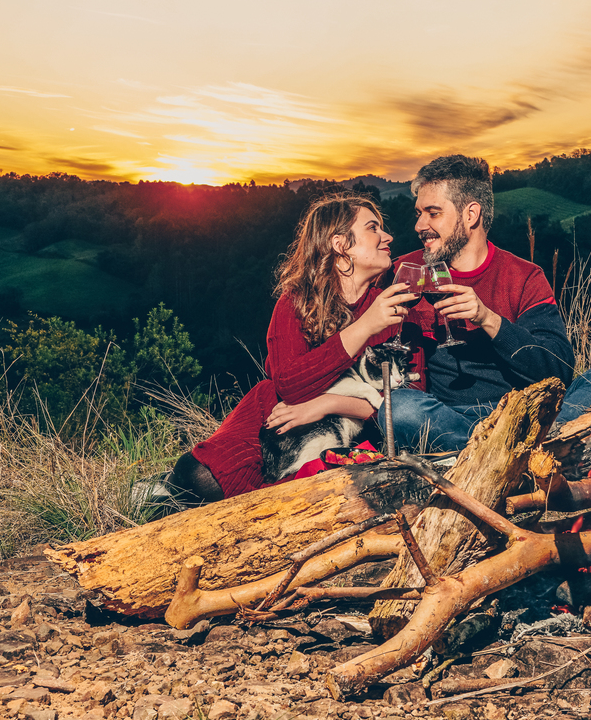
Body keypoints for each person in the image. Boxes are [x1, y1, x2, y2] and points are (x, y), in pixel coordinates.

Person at [383, 155, 591, 452]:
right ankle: (521, 453)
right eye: (418, 213)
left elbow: (557, 369)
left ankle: (492, 453)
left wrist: (488, 320)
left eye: (433, 213)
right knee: (400, 409)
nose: (420, 225)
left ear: (471, 215)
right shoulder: (407, 271)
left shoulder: (523, 276)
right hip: (452, 418)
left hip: (527, 415)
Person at [165, 194, 418, 503]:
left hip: (337, 434)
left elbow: (405, 404)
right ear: (340, 245)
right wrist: (364, 326)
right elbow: (290, 387)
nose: (387, 236)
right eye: (373, 228)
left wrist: (327, 403)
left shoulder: (393, 308)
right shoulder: (296, 303)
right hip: (269, 426)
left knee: (298, 499)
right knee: (198, 480)